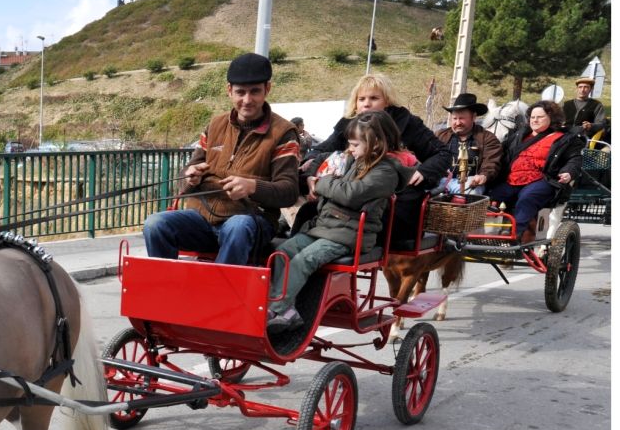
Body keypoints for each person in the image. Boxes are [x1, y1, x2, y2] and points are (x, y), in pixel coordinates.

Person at [142, 52, 299, 265]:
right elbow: (189, 171)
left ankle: (219, 294)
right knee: (155, 223)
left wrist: (253, 186)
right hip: (202, 218)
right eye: (240, 92)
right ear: (229, 91)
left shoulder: (284, 132)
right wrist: (190, 177)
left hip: (251, 221)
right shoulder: (215, 125)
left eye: (255, 92)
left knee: (238, 226)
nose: (247, 100)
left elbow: (289, 192)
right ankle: (166, 290)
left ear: (267, 89)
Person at [267, 111, 408, 332]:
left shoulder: (386, 172)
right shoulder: (355, 161)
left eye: (354, 144)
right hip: (326, 227)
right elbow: (330, 174)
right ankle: (285, 308)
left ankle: (278, 308)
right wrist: (317, 179)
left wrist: (323, 184)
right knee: (283, 250)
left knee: (305, 260)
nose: (350, 148)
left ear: (376, 143)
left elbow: (351, 194)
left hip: (351, 235)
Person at [303, 73, 450, 245]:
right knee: (307, 212)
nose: (366, 103)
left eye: (374, 98)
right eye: (361, 99)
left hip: (394, 200)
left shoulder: (407, 123)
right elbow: (322, 151)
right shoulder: (348, 125)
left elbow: (442, 153)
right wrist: (310, 170)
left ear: (387, 101)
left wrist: (424, 171)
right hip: (349, 197)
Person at [489, 100, 583, 243]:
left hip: (542, 180)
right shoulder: (519, 135)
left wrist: (569, 172)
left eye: (540, 117)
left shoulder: (565, 138)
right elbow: (501, 152)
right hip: (511, 179)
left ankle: (513, 236)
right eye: (532, 117)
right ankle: (479, 234)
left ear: (552, 118)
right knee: (489, 195)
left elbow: (575, 159)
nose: (535, 120)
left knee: (528, 197)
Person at [434, 93, 503, 196]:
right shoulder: (440, 135)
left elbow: (492, 162)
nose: (457, 123)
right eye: (454, 118)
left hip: (471, 182)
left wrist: (483, 175)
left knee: (470, 195)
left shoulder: (488, 138)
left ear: (474, 117)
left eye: (461, 118)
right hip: (440, 179)